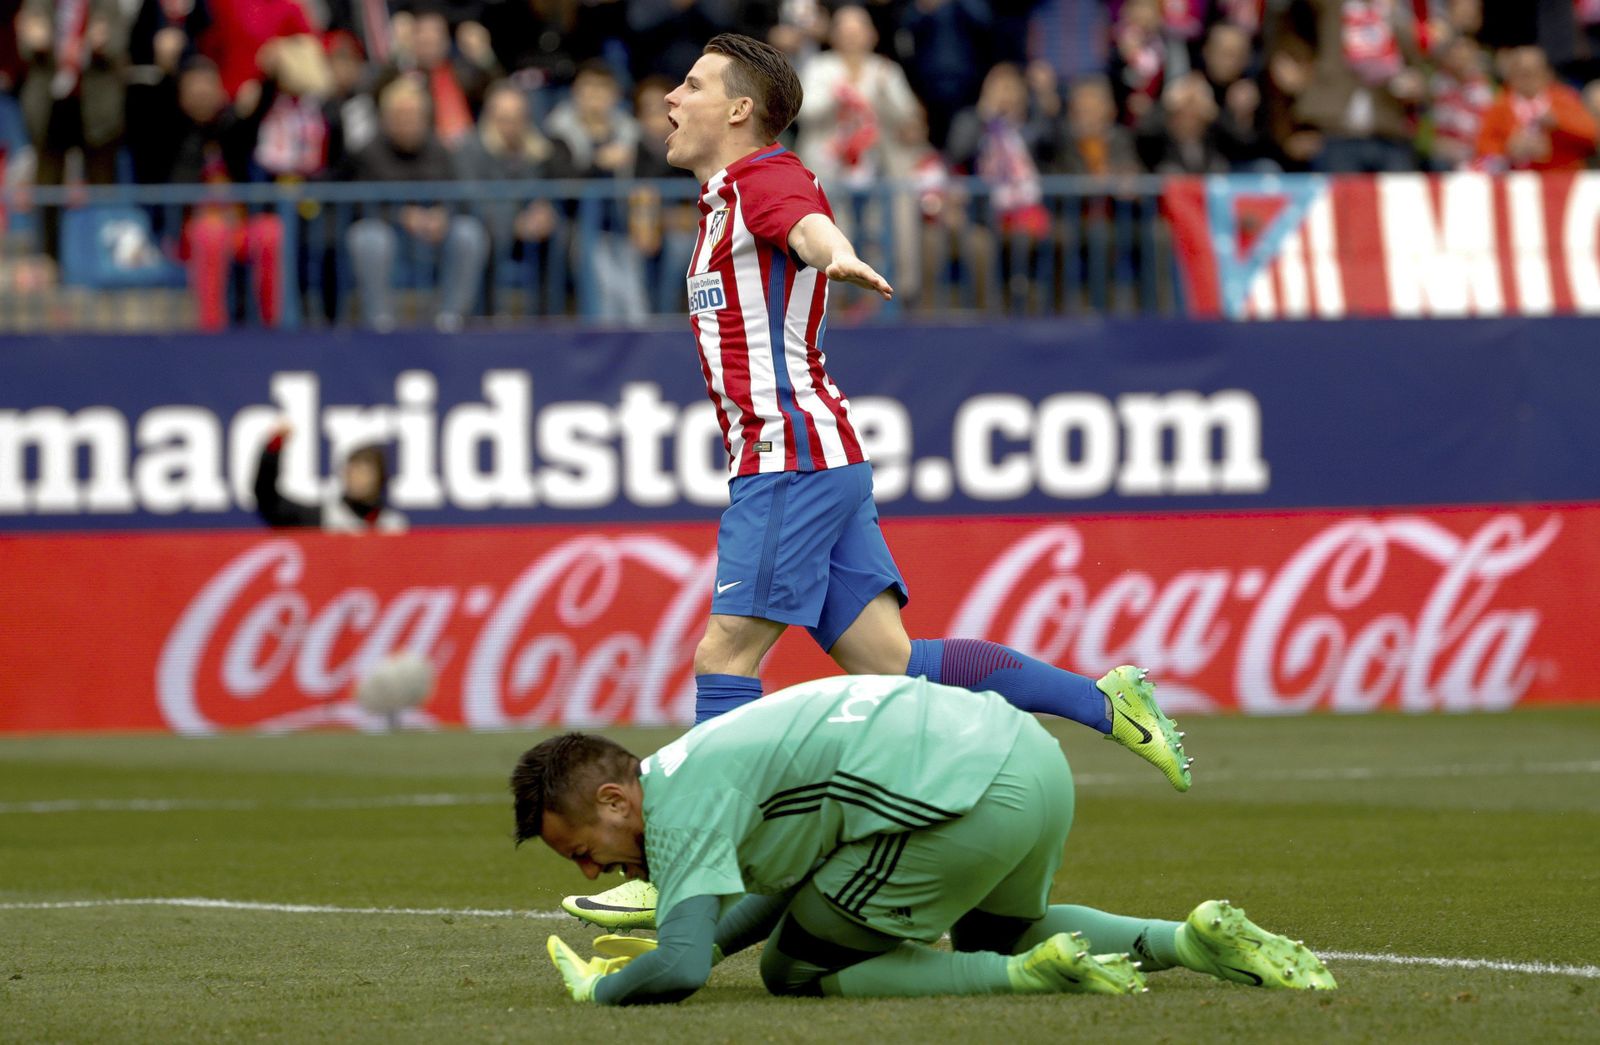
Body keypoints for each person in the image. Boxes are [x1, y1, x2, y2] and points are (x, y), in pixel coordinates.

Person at [565, 32, 1190, 925]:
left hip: (791, 461)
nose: (670, 99)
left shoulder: (760, 179)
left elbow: (805, 218)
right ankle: (1102, 700)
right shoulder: (718, 201)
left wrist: (834, 253)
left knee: (724, 656)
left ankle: (685, 869)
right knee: (891, 663)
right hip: (820, 457)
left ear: (740, 110)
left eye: (693, 86)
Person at [514, 675, 1338, 1005]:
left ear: (617, 798)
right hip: (1030, 758)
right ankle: (1190, 939)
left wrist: (606, 989)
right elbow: (775, 896)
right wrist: (671, 948)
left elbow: (687, 964)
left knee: (795, 970)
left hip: (964, 798)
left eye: (584, 847)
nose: (595, 868)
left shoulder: (681, 800)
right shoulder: (695, 765)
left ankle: (1021, 980)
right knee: (996, 924)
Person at [253, 422, 406, 531]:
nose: (357, 479)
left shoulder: (392, 527)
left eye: (365, 473)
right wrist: (273, 450)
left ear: (379, 478)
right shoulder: (322, 518)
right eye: (352, 471)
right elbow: (268, 502)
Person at [1474, 45, 1599, 173]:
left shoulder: (1564, 99)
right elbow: (1482, 146)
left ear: (1546, 74)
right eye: (1523, 74)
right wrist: (1508, 148)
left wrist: (1558, 124)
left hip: (1562, 177)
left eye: (1534, 72)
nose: (1529, 80)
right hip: (1515, 181)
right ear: (1511, 76)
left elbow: (1591, 134)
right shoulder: (1499, 106)